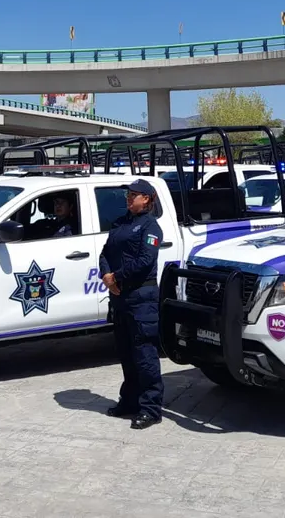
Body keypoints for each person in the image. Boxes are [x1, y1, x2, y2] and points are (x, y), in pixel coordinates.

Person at [100, 178, 165, 429]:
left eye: (133, 195)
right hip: (120, 298)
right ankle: (129, 401)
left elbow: (145, 261)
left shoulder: (150, 227)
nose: (128, 199)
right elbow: (105, 253)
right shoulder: (120, 223)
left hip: (141, 299)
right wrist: (107, 276)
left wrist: (116, 277)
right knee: (126, 354)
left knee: (144, 356)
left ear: (146, 199)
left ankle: (150, 408)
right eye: (127, 195)